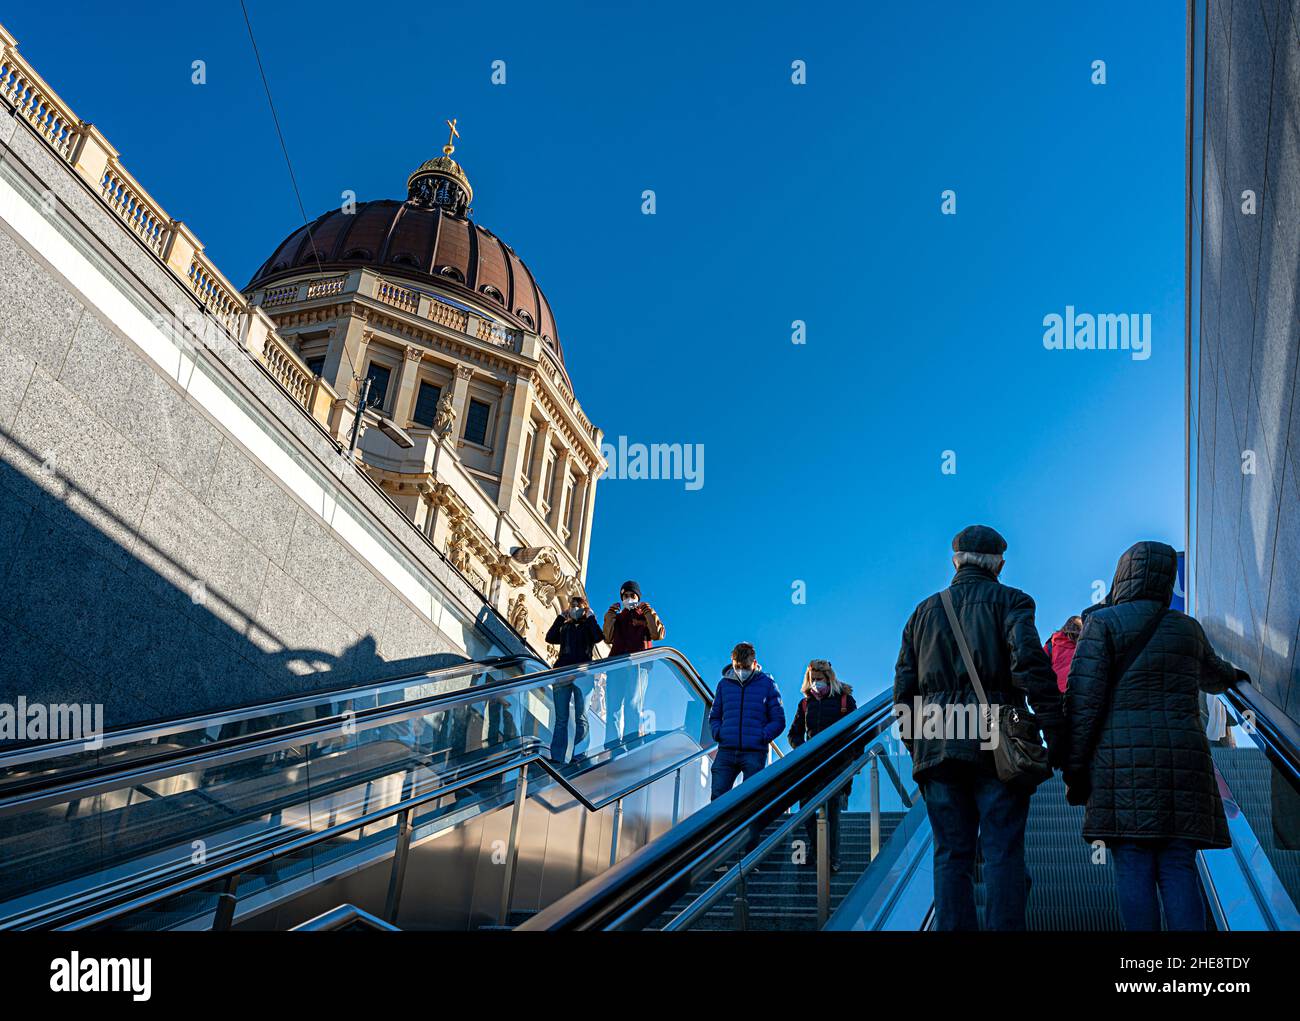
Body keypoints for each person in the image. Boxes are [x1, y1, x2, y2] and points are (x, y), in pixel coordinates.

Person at [1064, 540, 1246, 932]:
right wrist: (1241, 678)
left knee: (1133, 864)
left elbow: (1083, 701)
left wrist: (1075, 769)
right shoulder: (1187, 629)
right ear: (1166, 579)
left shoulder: (1104, 625)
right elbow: (1216, 675)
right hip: (1185, 765)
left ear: (1122, 577)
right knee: (1179, 865)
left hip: (1122, 769)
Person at [892, 525, 1064, 931]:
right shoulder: (1012, 601)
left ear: (956, 562)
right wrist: (1055, 730)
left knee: (951, 853)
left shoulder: (923, 611)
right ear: (999, 564)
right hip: (995, 737)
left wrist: (918, 746)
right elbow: (1029, 665)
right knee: (1003, 849)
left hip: (936, 740)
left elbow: (903, 690)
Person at [788, 659, 857, 871]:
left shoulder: (845, 701)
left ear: (829, 679)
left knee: (833, 811)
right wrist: (803, 748)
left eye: (819, 679)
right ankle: (816, 850)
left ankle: (833, 859)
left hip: (837, 764)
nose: (816, 683)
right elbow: (793, 734)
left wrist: (852, 762)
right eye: (813, 680)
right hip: (812, 766)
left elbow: (857, 732)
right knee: (806, 809)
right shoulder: (805, 704)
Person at [709, 642, 785, 801]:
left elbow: (778, 720)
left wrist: (762, 736)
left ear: (755, 663)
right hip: (726, 751)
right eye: (738, 666)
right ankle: (724, 827)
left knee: (751, 800)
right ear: (733, 663)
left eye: (746, 667)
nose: (741, 671)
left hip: (754, 752)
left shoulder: (768, 684)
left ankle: (750, 827)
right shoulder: (724, 685)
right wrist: (719, 733)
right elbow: (714, 715)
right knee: (717, 797)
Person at [601, 581, 665, 749]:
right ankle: (612, 745)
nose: (628, 599)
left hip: (639, 665)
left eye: (632, 596)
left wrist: (648, 612)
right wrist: (609, 615)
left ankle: (632, 744)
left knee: (632, 704)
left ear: (638, 597)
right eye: (625, 596)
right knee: (613, 708)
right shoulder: (618, 617)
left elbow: (658, 634)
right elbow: (607, 637)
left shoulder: (645, 615)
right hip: (616, 664)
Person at [544, 595, 604, 763]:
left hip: (583, 675)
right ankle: (557, 757)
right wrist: (561, 617)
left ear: (585, 608)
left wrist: (591, 616)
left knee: (581, 717)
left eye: (578, 605)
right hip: (562, 673)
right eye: (572, 605)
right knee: (561, 719)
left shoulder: (588, 627)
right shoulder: (565, 627)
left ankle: (579, 756)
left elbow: (599, 637)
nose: (574, 608)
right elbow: (549, 637)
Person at [1043, 615, 1083, 693]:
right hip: (1081, 688)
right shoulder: (1086, 642)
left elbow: (1039, 666)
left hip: (1057, 692)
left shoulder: (1051, 644)